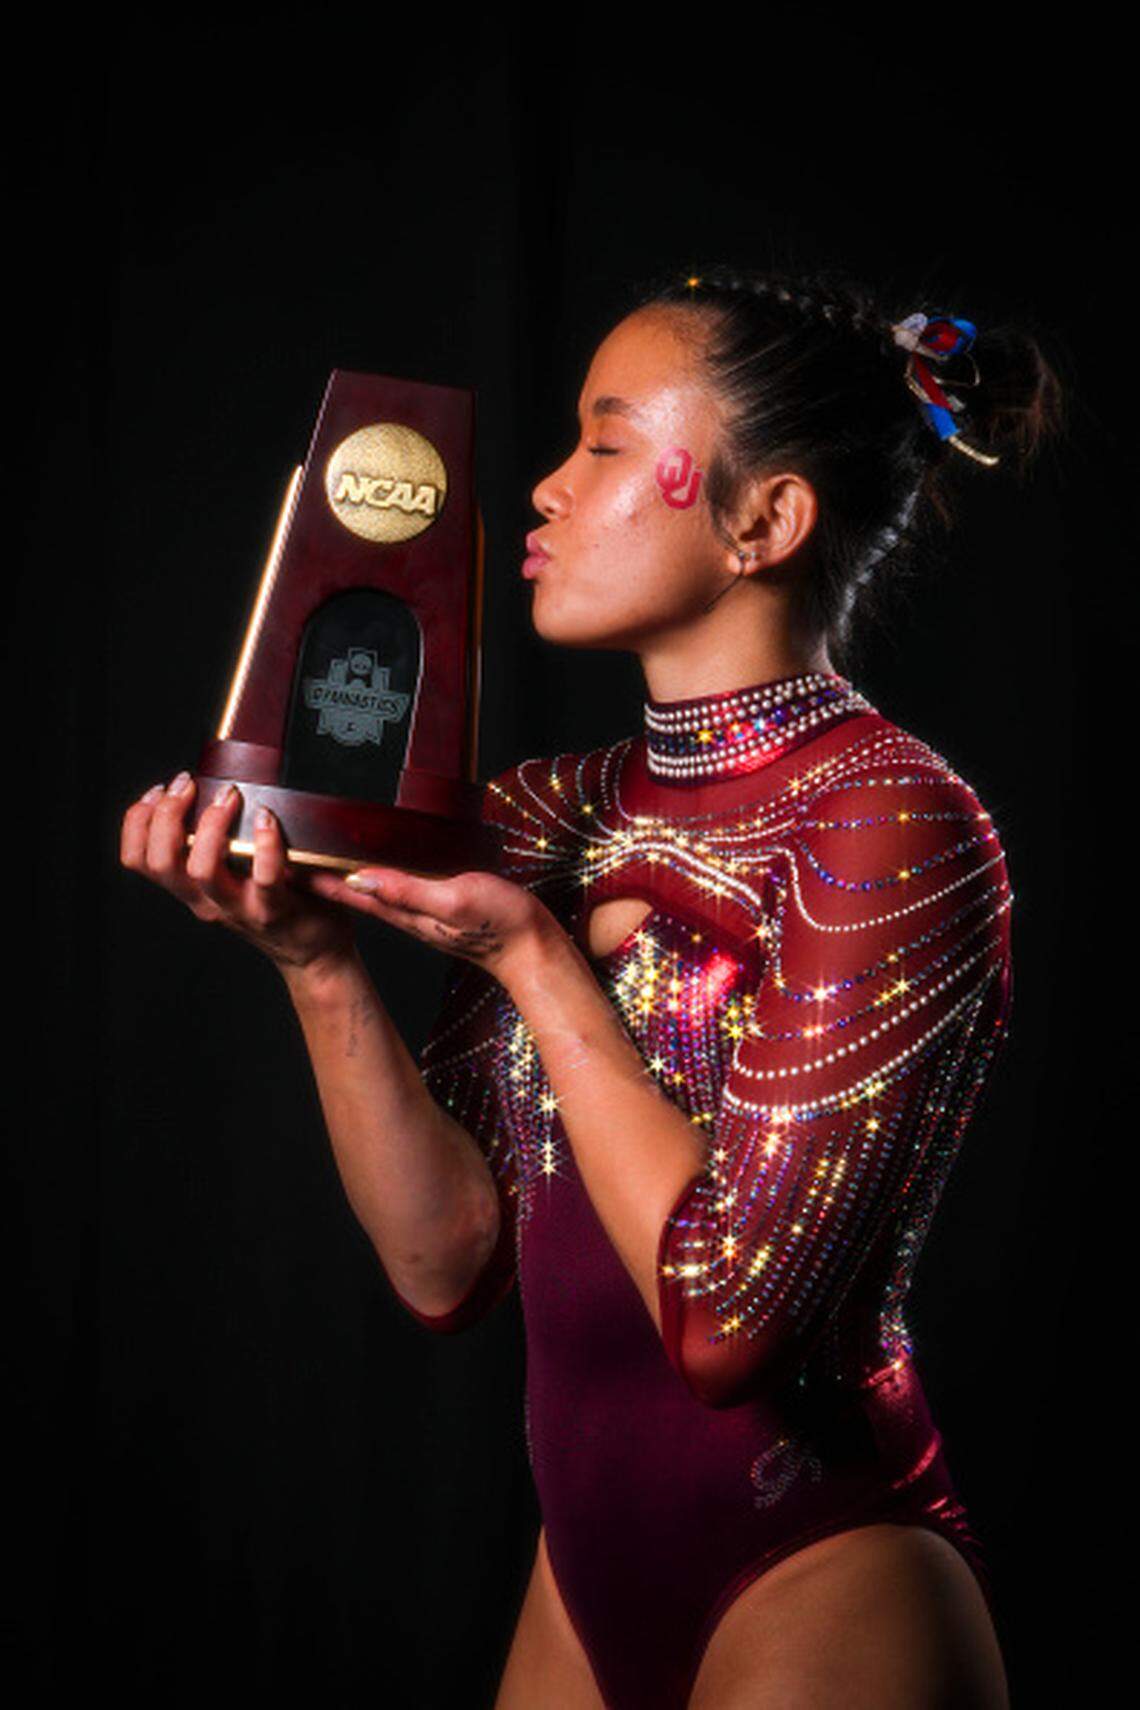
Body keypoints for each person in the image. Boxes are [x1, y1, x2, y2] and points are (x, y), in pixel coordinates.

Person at [121, 264, 1062, 1709]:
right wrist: (315, 966)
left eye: (607, 443)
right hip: (586, 1578)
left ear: (764, 518)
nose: (547, 488)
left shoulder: (888, 822)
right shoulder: (556, 811)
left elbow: (731, 1321)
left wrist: (532, 954)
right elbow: (450, 1264)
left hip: (821, 1567)